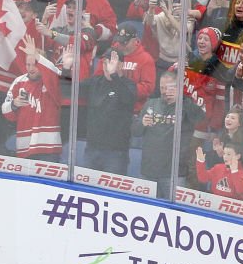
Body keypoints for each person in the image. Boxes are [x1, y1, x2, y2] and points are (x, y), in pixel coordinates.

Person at [133, 70, 205, 199]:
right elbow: (135, 132)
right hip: (149, 171)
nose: (165, 91)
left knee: (175, 211)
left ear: (178, 88)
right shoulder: (151, 104)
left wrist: (181, 98)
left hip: (174, 174)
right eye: (162, 87)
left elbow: (200, 117)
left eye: (169, 88)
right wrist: (142, 123)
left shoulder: (185, 106)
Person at [2, 36, 61, 162]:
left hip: (48, 148)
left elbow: (53, 71)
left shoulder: (52, 81)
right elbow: (5, 111)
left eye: (34, 64)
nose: (30, 68)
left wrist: (37, 55)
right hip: (24, 147)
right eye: (28, 64)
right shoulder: (19, 81)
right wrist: (14, 104)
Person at [80, 48, 138, 175]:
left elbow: (128, 98)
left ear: (121, 65)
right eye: (105, 63)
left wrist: (114, 76)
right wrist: (67, 69)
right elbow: (72, 89)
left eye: (111, 63)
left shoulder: (129, 85)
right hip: (92, 149)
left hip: (115, 153)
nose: (107, 67)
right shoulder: (95, 82)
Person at [111, 25, 155, 113]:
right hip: (112, 107)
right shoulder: (111, 53)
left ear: (135, 40)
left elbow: (148, 88)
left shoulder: (146, 59)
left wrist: (125, 92)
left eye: (125, 42)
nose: (121, 45)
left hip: (134, 109)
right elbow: (100, 75)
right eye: (120, 41)